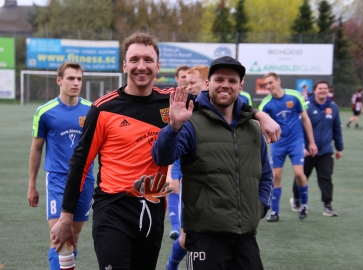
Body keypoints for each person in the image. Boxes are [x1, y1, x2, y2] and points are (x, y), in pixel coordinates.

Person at [50, 32, 281, 270]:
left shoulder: (173, 101)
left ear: (158, 66)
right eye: (135, 60)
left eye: (148, 60)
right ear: (124, 65)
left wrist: (258, 114)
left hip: (153, 207)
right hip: (113, 207)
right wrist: (67, 215)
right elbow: (80, 163)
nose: (142, 66)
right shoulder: (103, 108)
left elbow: (219, 96)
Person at [152, 56, 274, 270]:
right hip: (204, 237)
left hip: (245, 237)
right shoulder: (191, 123)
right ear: (208, 84)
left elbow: (265, 174)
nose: (225, 85)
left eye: (232, 80)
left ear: (240, 86)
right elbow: (162, 157)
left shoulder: (253, 128)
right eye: (219, 79)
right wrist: (173, 126)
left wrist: (260, 207)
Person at [27, 62, 95, 270]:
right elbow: (36, 149)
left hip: (86, 179)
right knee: (60, 238)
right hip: (58, 179)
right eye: (70, 78)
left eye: (79, 79)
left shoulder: (91, 110)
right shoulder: (45, 112)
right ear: (59, 80)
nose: (76, 83)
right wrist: (32, 185)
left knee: (74, 235)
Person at [259, 72, 318, 222]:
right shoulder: (266, 103)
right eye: (266, 84)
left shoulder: (294, 96)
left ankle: (304, 205)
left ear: (278, 81)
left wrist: (311, 142)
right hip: (278, 143)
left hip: (296, 141)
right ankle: (275, 212)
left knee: (299, 173)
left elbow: (305, 119)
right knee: (276, 176)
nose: (269, 86)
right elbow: (260, 124)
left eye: (271, 82)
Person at [166, 65, 209, 270]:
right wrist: (169, 172)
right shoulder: (181, 105)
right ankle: (172, 264)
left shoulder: (229, 107)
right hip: (185, 167)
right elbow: (168, 143)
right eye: (185, 81)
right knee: (188, 237)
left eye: (191, 82)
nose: (187, 85)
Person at [291, 80, 343, 216]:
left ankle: (328, 206)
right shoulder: (306, 106)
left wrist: (339, 148)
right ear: (314, 91)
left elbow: (337, 129)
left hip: (326, 150)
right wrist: (301, 146)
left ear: (328, 91)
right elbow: (298, 129)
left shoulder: (333, 107)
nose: (323, 90)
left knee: (325, 177)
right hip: (307, 150)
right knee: (301, 175)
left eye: (325, 88)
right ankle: (296, 199)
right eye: (320, 88)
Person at [168, 64, 191, 241]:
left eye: (188, 77)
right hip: (175, 153)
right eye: (182, 76)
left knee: (189, 190)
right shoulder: (168, 99)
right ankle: (175, 227)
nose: (185, 80)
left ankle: (184, 225)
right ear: (177, 79)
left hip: (191, 153)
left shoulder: (196, 101)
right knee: (173, 187)